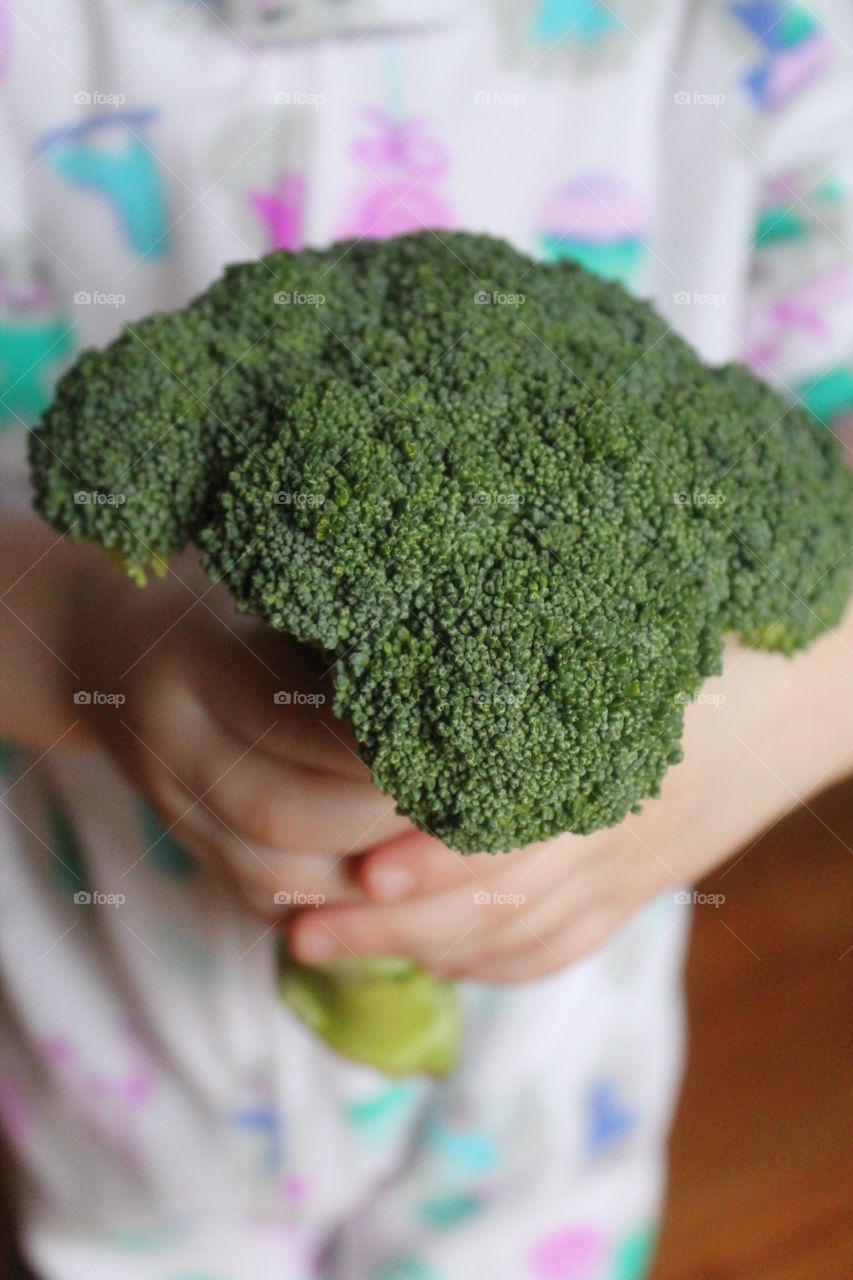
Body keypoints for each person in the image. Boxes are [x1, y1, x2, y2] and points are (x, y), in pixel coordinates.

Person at [1, 2, 852, 1277]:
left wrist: (761, 722)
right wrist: (73, 640)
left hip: (550, 1095)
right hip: (116, 1084)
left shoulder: (768, 38)